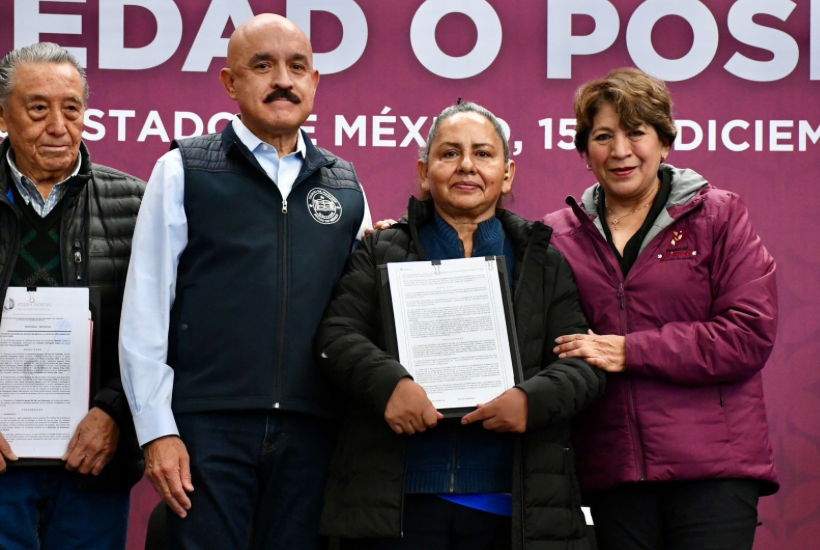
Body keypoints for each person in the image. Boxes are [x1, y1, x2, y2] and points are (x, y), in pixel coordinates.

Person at [118, 13, 372, 549]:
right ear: (230, 82)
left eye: (297, 66)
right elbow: (145, 309)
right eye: (263, 65)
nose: (283, 79)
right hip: (207, 430)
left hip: (315, 432)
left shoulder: (347, 186)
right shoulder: (184, 168)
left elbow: (363, 318)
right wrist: (158, 431)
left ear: (315, 82)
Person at [315, 101, 605, 550]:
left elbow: (581, 362)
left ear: (507, 174)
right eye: (449, 153)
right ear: (423, 171)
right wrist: (389, 384)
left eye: (483, 154)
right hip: (398, 501)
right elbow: (337, 337)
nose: (466, 165)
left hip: (510, 505)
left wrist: (531, 400)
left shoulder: (542, 261)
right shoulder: (381, 251)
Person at [545, 68, 778, 550]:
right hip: (610, 470)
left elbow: (748, 334)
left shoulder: (720, 215)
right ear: (586, 153)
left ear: (665, 142)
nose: (621, 150)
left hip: (714, 469)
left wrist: (630, 351)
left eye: (636, 132)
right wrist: (402, 233)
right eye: (604, 136)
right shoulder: (555, 235)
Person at [0, 43, 145, 549]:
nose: (58, 126)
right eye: (38, 108)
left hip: (95, 461)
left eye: (72, 108)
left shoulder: (136, 204)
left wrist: (115, 412)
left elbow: (167, 331)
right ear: (3, 114)